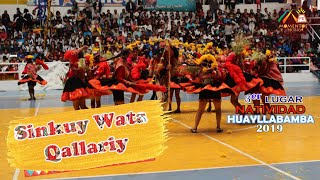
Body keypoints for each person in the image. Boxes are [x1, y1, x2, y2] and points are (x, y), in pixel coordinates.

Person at [61, 46, 89, 110]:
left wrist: (82, 48)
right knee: (82, 106)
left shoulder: (79, 62)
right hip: (75, 82)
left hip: (75, 82)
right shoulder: (73, 63)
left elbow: (81, 73)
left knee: (78, 107)